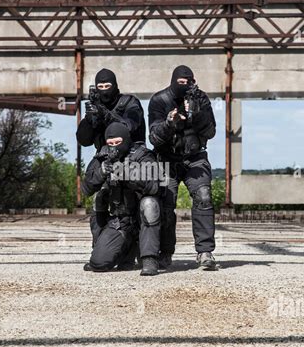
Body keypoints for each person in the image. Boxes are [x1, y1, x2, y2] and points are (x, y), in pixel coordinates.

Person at [148, 64, 217, 270]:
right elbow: (153, 138)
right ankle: (165, 252)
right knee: (165, 204)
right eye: (180, 83)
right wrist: (169, 124)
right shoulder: (159, 100)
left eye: (187, 82)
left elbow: (211, 131)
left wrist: (197, 114)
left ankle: (205, 252)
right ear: (173, 82)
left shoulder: (201, 98)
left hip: (195, 157)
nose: (184, 86)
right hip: (167, 159)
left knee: (204, 195)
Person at [82, 122, 161, 276]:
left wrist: (126, 173)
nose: (114, 147)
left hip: (142, 219)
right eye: (110, 143)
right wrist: (102, 171)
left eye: (118, 143)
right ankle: (117, 250)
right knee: (98, 263)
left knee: (150, 204)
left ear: (126, 140)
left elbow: (154, 186)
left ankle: (149, 258)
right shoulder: (101, 156)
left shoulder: (142, 155)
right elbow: (86, 189)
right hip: (121, 221)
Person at [76, 68, 145, 150]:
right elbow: (84, 141)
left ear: (115, 85)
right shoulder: (96, 107)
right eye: (100, 87)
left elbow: (129, 127)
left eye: (107, 86)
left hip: (133, 153)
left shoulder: (129, 102)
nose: (104, 91)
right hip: (105, 155)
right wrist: (89, 120)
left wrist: (105, 115)